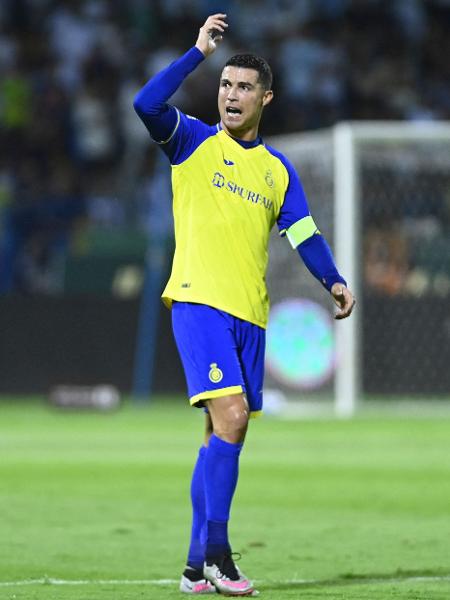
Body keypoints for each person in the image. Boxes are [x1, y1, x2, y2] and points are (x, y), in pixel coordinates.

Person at [134, 14, 355, 597]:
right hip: (199, 303)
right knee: (231, 419)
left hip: (250, 314)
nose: (230, 95)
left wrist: (331, 279)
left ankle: (191, 567)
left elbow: (304, 233)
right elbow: (144, 103)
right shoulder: (192, 141)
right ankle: (218, 556)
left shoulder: (278, 170)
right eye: (225, 84)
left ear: (266, 98)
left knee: (217, 436)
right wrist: (196, 52)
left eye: (243, 87)